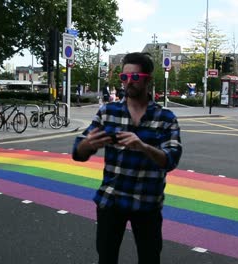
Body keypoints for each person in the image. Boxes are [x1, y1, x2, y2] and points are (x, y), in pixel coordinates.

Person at [72, 52, 182, 264]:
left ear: (148, 79)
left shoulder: (166, 118)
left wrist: (142, 146)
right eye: (124, 77)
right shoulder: (108, 112)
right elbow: (78, 152)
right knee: (106, 258)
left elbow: (171, 160)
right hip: (111, 200)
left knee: (150, 258)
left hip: (147, 202)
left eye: (135, 77)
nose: (128, 82)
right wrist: (87, 144)